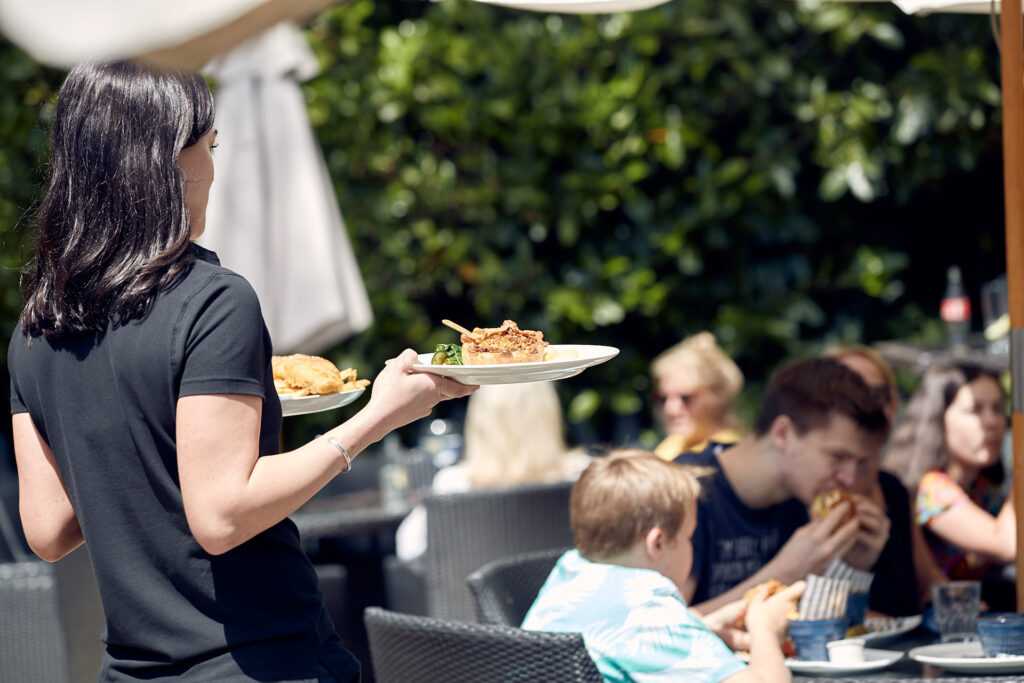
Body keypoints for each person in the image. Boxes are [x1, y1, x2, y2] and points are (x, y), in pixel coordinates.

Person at [8, 62, 475, 683]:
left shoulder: (36, 329)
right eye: (210, 145)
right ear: (168, 160)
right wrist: (375, 419)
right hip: (259, 660)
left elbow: (47, 530)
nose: (213, 169)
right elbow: (222, 516)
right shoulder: (213, 300)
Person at [523, 450, 804, 683]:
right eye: (688, 537)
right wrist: (763, 628)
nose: (691, 546)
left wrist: (698, 626)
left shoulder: (570, 572)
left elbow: (618, 639)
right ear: (657, 543)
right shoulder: (650, 616)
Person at [676, 357, 891, 615]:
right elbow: (651, 635)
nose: (849, 478)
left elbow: (816, 631)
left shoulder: (802, 497)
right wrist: (783, 574)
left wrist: (851, 566)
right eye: (838, 457)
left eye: (860, 463)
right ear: (783, 433)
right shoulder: (683, 491)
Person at [395, 381, 590, 561]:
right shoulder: (584, 474)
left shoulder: (454, 483)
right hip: (563, 595)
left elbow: (408, 548)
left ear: (478, 420)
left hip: (474, 598)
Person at [826, 346, 946, 615]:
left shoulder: (893, 487)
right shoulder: (815, 491)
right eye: (848, 393)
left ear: (893, 405)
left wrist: (960, 605)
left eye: (877, 393)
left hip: (911, 648)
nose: (866, 403)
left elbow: (930, 579)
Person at [885, 362, 1015, 609]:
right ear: (938, 419)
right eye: (975, 410)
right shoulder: (930, 489)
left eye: (998, 409)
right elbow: (1007, 544)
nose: (992, 422)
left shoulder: (981, 489)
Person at [652, 332, 744, 461]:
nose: (671, 409)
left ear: (717, 397)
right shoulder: (671, 447)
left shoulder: (733, 456)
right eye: (663, 399)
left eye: (685, 398)